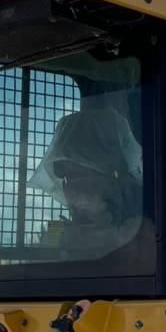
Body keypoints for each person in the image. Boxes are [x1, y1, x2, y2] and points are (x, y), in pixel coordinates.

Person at [29, 101, 144, 257]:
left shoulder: (138, 230)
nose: (71, 185)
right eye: (69, 175)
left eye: (79, 172)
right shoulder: (62, 236)